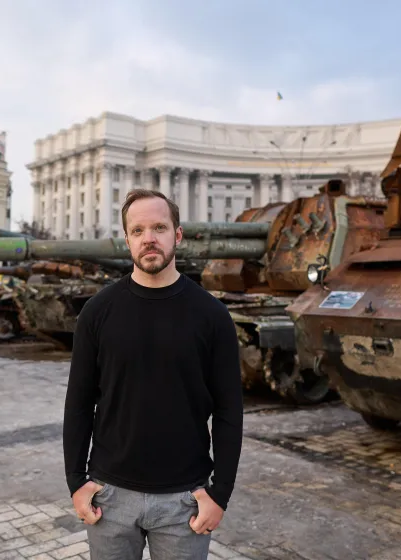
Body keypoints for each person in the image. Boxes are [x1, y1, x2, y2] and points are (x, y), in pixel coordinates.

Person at [63, 189, 243, 559]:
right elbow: (78, 403)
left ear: (177, 235)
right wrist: (76, 482)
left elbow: (229, 410)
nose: (149, 238)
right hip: (109, 497)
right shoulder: (97, 312)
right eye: (138, 230)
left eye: (159, 227)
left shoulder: (212, 316)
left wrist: (220, 494)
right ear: (127, 239)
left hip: (184, 501)